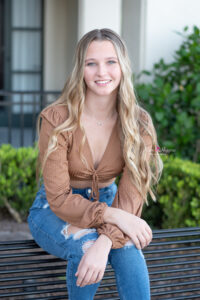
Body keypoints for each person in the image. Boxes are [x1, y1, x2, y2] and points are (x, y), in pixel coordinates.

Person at [28, 28, 163, 300]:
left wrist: (106, 238)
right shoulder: (57, 120)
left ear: (122, 66)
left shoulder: (139, 124)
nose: (102, 72)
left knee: (126, 249)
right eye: (92, 63)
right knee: (85, 244)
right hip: (55, 210)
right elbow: (59, 198)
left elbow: (131, 195)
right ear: (81, 69)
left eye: (110, 62)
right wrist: (114, 217)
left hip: (114, 202)